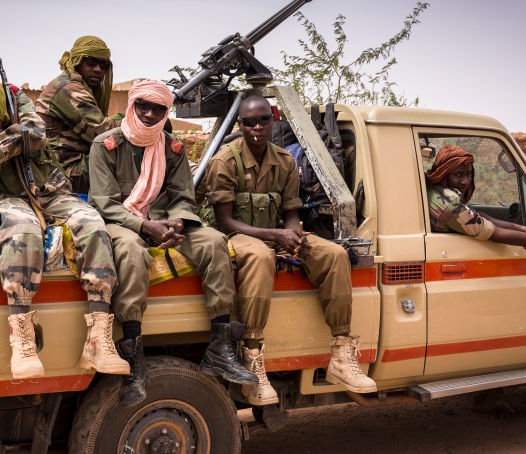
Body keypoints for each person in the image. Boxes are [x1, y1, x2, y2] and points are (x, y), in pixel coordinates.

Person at [0, 47, 129, 380]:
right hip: (4, 197)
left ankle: (98, 337)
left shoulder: (14, 97)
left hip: (49, 189)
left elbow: (36, 135)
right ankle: (22, 337)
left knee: (92, 224)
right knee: (23, 232)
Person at [88, 79, 258, 407]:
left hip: (164, 222)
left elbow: (183, 196)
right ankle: (133, 352)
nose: (150, 114)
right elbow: (104, 203)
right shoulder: (105, 145)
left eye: (159, 109)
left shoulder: (173, 148)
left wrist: (178, 221)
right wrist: (146, 226)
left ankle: (220, 346)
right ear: (132, 106)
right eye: (144, 106)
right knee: (131, 252)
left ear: (167, 112)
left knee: (213, 241)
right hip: (123, 222)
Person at [204, 93, 377, 404]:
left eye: (263, 120)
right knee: (260, 256)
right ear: (240, 126)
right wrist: (275, 235)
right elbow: (226, 221)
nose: (257, 127)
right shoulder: (224, 162)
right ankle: (253, 357)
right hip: (239, 235)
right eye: (248, 122)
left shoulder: (285, 160)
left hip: (276, 232)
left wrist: (293, 233)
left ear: (274, 119)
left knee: (335, 254)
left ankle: (340, 351)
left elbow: (292, 209)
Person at [426, 144, 526, 258]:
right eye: (458, 175)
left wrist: (519, 228)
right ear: (444, 174)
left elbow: (474, 215)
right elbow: (496, 233)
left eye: (468, 174)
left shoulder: (436, 190)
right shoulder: (449, 203)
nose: (466, 181)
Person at [36, 35, 116, 194]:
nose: (98, 69)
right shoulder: (69, 88)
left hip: (67, 168)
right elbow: (103, 134)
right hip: (62, 173)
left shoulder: (74, 85)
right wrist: (135, 121)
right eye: (91, 62)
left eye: (103, 65)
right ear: (77, 62)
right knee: (128, 157)